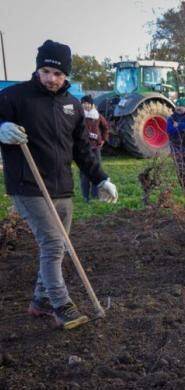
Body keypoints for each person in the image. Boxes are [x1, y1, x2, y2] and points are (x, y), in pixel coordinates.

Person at [0, 40, 118, 330]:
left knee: (60, 245)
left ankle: (40, 301)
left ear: (66, 75)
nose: (51, 78)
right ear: (38, 69)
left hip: (61, 187)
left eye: (58, 73)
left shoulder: (73, 106)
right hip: (28, 185)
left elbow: (82, 151)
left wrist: (101, 178)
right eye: (46, 71)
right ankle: (61, 304)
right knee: (53, 243)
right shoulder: (13, 97)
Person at [78, 95, 110, 202]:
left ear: (91, 104)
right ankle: (85, 196)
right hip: (83, 148)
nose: (85, 105)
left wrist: (103, 140)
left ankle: (95, 194)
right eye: (83, 103)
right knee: (84, 173)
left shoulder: (97, 116)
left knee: (96, 170)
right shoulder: (79, 116)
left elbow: (105, 127)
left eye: (87, 103)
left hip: (96, 148)